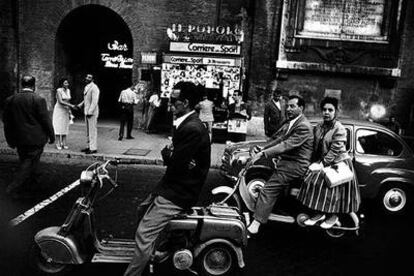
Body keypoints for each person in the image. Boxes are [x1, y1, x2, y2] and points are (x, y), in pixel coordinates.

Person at [124, 82, 211, 276]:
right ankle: (151, 254)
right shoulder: (187, 124)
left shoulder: (192, 128)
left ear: (185, 103)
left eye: (173, 101)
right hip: (172, 185)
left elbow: (175, 165)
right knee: (142, 209)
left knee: (143, 233)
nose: (170, 105)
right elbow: (178, 161)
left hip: (179, 192)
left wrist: (169, 153)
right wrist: (173, 155)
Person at [247, 95, 314, 235]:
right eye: (287, 106)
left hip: (295, 165)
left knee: (268, 189)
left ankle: (256, 223)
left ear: (301, 108)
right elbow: (280, 139)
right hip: (288, 162)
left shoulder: (303, 126)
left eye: (292, 106)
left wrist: (263, 154)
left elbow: (285, 145)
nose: (288, 109)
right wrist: (263, 148)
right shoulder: (293, 122)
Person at [297, 97, 361, 229]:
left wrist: (321, 164)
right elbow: (315, 146)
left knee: (332, 190)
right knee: (311, 182)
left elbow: (334, 151)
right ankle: (319, 214)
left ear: (336, 112)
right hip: (324, 162)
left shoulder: (340, 129)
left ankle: (333, 216)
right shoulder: (319, 126)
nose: (326, 112)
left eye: (330, 110)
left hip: (338, 164)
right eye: (324, 109)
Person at [2, 75, 55, 197]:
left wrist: (9, 139)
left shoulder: (10, 99)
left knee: (26, 160)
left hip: (19, 139)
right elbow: (45, 120)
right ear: (34, 85)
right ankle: (13, 188)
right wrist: (51, 136)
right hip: (35, 139)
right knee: (28, 163)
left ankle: (32, 185)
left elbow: (6, 121)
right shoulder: (38, 99)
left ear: (21, 85)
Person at [77, 73, 100, 154]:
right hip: (86, 111)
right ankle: (88, 146)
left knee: (92, 130)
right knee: (87, 130)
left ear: (92, 79)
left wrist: (90, 111)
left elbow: (94, 101)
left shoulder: (94, 88)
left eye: (89, 77)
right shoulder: (87, 87)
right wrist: (81, 104)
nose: (87, 78)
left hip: (92, 112)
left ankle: (93, 148)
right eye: (87, 77)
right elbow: (86, 99)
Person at [52, 78, 75, 149]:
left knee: (65, 125)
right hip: (59, 109)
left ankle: (64, 142)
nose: (67, 84)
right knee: (58, 125)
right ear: (62, 84)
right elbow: (60, 101)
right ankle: (58, 142)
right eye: (65, 83)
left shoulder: (68, 90)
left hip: (66, 110)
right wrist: (71, 105)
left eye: (67, 83)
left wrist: (69, 110)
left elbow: (68, 101)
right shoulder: (59, 90)